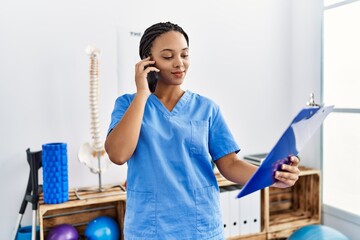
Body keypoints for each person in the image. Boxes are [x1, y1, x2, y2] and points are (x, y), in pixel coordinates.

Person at [105, 22, 300, 240]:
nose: (180, 63)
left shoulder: (206, 108)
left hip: (199, 227)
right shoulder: (128, 105)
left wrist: (271, 176)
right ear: (148, 62)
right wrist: (142, 93)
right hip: (149, 228)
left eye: (185, 55)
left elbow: (230, 165)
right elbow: (118, 155)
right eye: (168, 56)